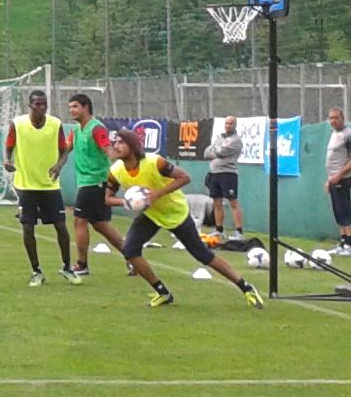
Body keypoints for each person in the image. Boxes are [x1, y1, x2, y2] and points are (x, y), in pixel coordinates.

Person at [106, 128, 263, 309]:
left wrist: (156, 195)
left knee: (203, 256)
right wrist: (124, 202)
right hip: (151, 215)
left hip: (175, 212)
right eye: (114, 142)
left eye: (120, 142)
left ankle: (246, 287)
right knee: (130, 250)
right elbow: (107, 198)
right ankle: (162, 292)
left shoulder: (154, 162)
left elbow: (184, 177)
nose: (115, 146)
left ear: (132, 146)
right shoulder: (116, 171)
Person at [4, 90, 81, 287]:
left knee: (61, 226)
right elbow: (9, 146)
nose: (42, 107)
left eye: (44, 104)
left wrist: (58, 166)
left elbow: (64, 150)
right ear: (30, 106)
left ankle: (66, 267)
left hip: (49, 184)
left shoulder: (55, 124)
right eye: (37, 104)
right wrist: (7, 160)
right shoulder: (18, 124)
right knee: (28, 227)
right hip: (26, 184)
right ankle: (36, 271)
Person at [65, 93, 123, 276]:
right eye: (70, 107)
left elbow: (109, 151)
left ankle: (82, 265)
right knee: (100, 225)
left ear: (86, 107)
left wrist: (123, 167)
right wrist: (55, 166)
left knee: (79, 220)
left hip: (96, 181)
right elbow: (65, 149)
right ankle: (132, 256)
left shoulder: (96, 128)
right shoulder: (76, 130)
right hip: (87, 182)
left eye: (75, 106)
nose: (71, 110)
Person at [204, 115, 245, 240]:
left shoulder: (236, 140)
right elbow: (206, 153)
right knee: (217, 202)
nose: (228, 125)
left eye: (231, 123)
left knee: (233, 202)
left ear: (235, 125)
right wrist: (217, 149)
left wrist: (216, 150)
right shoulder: (219, 138)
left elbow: (221, 153)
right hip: (214, 173)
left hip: (228, 174)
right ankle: (219, 230)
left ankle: (239, 232)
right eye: (227, 123)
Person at [325, 107, 351, 256]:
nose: (333, 121)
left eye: (336, 118)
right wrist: (329, 180)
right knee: (338, 212)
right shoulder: (334, 134)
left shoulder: (348, 134)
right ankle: (342, 242)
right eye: (331, 118)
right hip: (333, 179)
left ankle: (349, 244)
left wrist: (339, 175)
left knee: (345, 210)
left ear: (342, 118)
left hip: (343, 179)